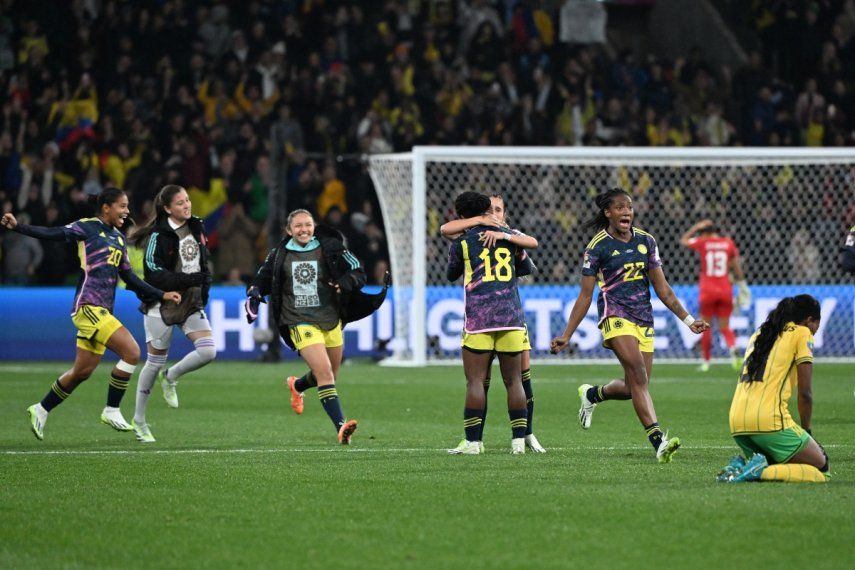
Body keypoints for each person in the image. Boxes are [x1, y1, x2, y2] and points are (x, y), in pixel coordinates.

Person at [0, 188, 181, 441]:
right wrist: (19, 227)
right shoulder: (87, 228)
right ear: (106, 207)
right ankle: (112, 409)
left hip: (103, 310)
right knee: (131, 352)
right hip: (87, 307)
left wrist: (161, 294)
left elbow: (129, 278)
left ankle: (40, 409)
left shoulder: (118, 238)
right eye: (122, 206)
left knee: (81, 372)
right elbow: (54, 233)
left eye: (127, 206)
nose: (126, 211)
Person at [550, 188, 709, 463]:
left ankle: (592, 394)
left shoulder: (647, 241)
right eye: (620, 208)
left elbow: (663, 289)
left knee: (634, 385)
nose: (626, 212)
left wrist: (689, 320)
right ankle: (658, 441)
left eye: (630, 207)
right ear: (608, 213)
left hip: (643, 318)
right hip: (615, 315)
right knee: (637, 373)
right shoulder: (597, 247)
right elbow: (586, 295)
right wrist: (567, 335)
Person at [246, 209, 386, 445]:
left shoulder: (330, 246)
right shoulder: (279, 253)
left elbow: (357, 270)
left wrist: (345, 282)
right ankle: (341, 427)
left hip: (330, 318)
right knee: (324, 373)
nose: (304, 230)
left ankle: (297, 385)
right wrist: (255, 294)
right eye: (298, 226)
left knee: (330, 374)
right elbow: (262, 278)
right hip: (298, 318)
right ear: (289, 231)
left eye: (308, 225)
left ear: (314, 226)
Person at [440, 193, 545, 453]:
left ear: (462, 215)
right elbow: (527, 268)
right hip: (511, 319)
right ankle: (518, 441)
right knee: (514, 382)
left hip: (479, 321)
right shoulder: (510, 240)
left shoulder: (463, 243)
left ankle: (474, 443)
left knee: (476, 382)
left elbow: (452, 274)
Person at [130, 185, 214, 443]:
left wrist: (201, 289)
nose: (187, 205)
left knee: (208, 351)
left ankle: (172, 375)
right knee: (153, 362)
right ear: (167, 208)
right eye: (180, 203)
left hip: (190, 301)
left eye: (187, 200)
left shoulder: (197, 227)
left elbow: (202, 263)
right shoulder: (158, 235)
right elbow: (154, 273)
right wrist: (188, 280)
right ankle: (139, 420)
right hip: (162, 301)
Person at [719, 295, 829, 483]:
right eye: (816, 326)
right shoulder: (802, 333)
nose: (815, 332)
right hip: (769, 421)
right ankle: (758, 473)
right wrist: (807, 432)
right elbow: (805, 393)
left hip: (737, 423)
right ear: (809, 320)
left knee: (780, 466)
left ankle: (741, 467)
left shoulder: (760, 334)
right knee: (821, 469)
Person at [680, 220, 750, 371]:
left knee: (706, 326)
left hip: (707, 291)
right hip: (725, 289)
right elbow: (736, 266)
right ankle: (733, 349)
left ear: (704, 232)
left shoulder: (703, 242)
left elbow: (684, 241)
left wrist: (695, 226)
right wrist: (742, 285)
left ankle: (706, 362)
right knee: (725, 326)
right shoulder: (728, 243)